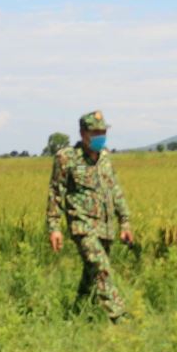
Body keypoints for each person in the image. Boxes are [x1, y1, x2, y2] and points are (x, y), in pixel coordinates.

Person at [46, 110, 134, 321]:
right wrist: (54, 227)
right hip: (82, 226)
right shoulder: (66, 158)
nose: (100, 136)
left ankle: (76, 316)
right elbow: (55, 192)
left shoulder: (105, 157)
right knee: (101, 268)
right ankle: (120, 318)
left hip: (105, 227)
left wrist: (125, 222)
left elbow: (115, 190)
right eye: (95, 132)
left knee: (91, 275)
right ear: (83, 133)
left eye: (103, 132)